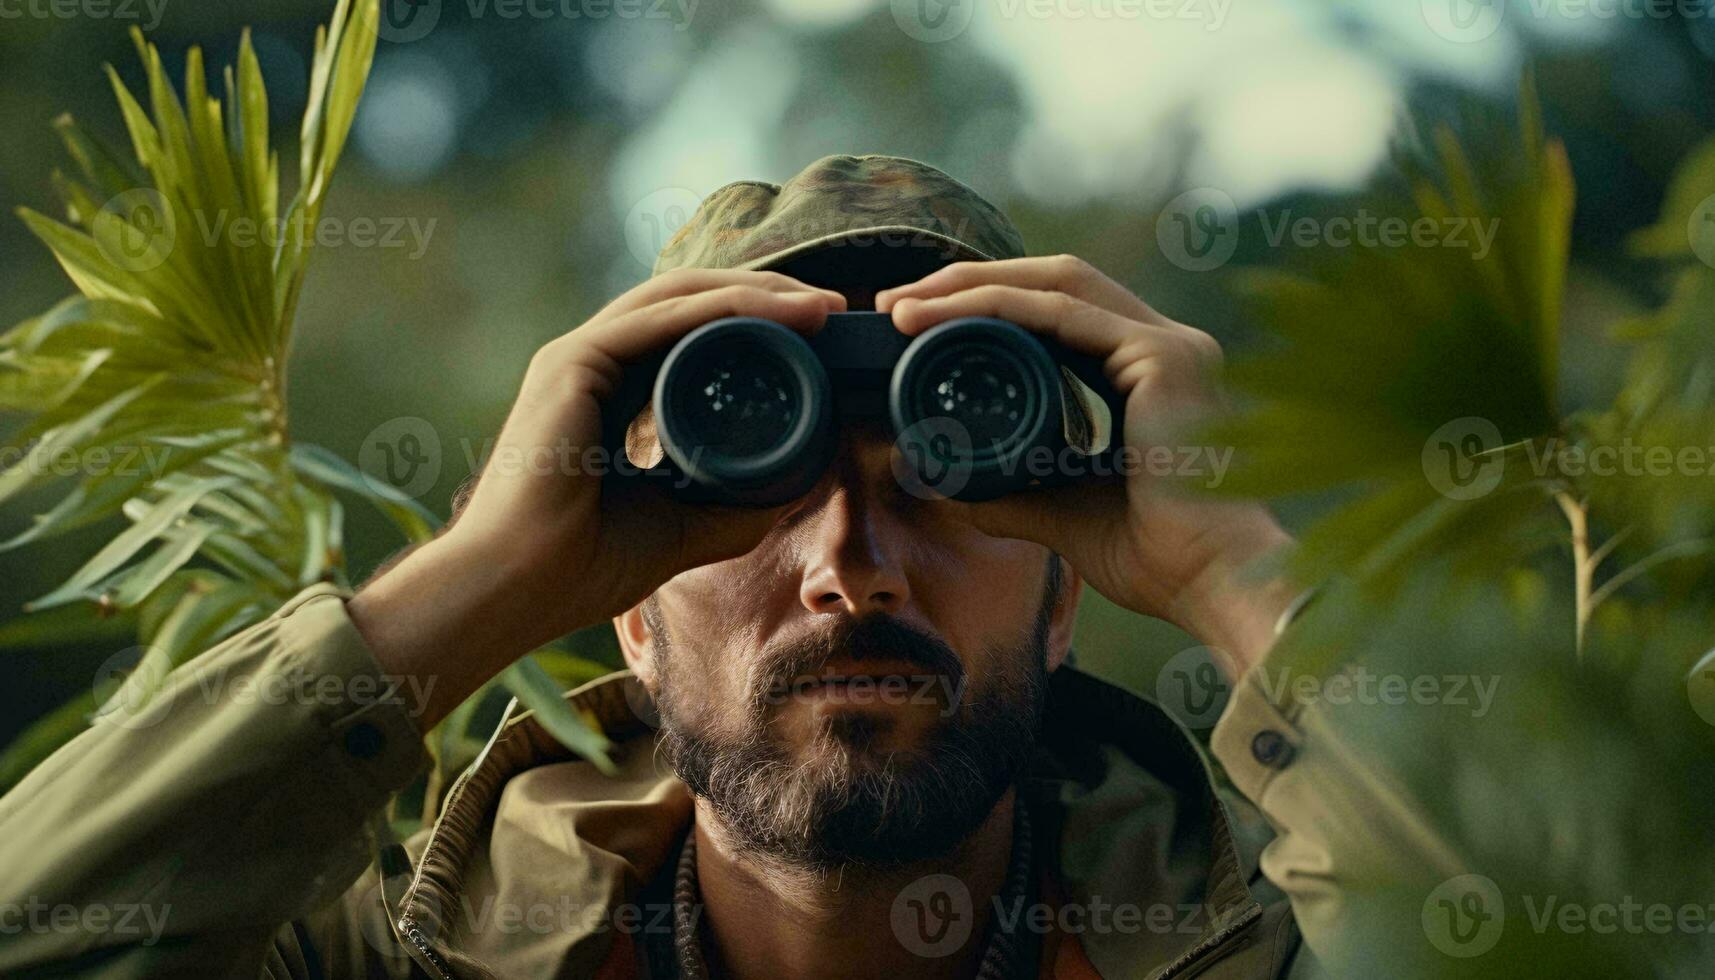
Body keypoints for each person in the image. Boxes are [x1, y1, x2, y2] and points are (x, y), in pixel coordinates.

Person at [3, 155, 1380, 979]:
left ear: (1067, 593)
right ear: (628, 617)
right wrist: (480, 576)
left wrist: (1235, 566)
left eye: (944, 493)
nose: (852, 570)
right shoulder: (388, 963)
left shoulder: (1288, 954)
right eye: (760, 503)